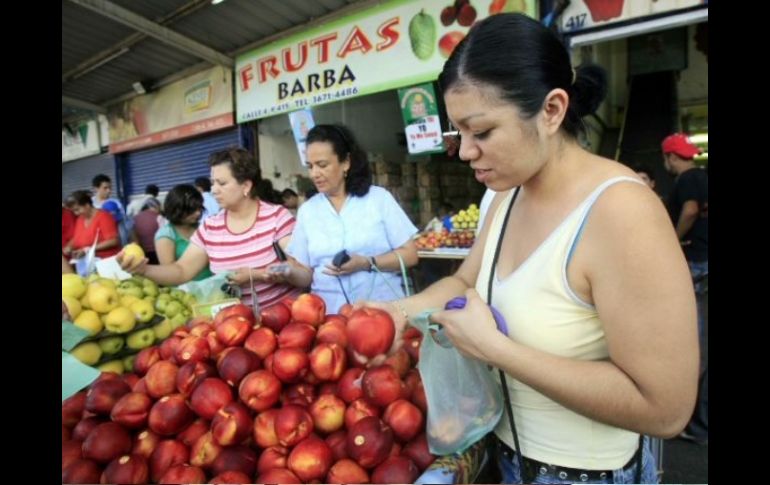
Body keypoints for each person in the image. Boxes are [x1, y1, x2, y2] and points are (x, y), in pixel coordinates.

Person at [365, 14, 698, 484]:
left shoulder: (621, 213)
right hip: (505, 459)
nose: (464, 152)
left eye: (481, 132)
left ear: (552, 110)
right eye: (459, 133)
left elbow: (664, 409)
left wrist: (497, 350)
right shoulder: (505, 193)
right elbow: (465, 279)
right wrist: (393, 314)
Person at [120, 148, 301, 308]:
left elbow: (300, 272)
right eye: (212, 182)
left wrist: (258, 274)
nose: (213, 190)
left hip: (283, 325)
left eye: (221, 183)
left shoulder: (277, 218)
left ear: (246, 185)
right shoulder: (210, 227)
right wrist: (144, 270)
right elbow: (182, 270)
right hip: (233, 327)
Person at [278, 124, 419, 314]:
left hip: (381, 313)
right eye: (310, 166)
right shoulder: (308, 211)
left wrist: (366, 262)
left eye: (322, 165)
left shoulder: (378, 199)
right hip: (330, 316)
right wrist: (288, 272)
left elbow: (410, 255)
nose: (314, 174)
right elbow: (306, 274)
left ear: (346, 162)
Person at [661, 132, 708, 447]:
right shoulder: (704, 175)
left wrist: (672, 239)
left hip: (696, 264)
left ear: (669, 157)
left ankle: (686, 418)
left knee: (691, 340)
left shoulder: (688, 179)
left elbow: (689, 210)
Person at [154, 184, 213, 281]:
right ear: (177, 209)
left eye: (199, 208)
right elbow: (169, 272)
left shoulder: (201, 228)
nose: (198, 213)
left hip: (211, 286)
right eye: (192, 209)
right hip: (186, 291)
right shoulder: (166, 235)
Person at [62, 190, 121, 259]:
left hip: (105, 261)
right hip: (87, 263)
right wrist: (69, 247)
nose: (76, 213)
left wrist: (87, 249)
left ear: (87, 205)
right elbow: (77, 238)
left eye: (77, 209)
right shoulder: (80, 219)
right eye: (73, 211)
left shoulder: (104, 217)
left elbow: (113, 241)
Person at [130, 198, 161, 265]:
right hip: (157, 252)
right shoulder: (159, 217)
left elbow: (133, 236)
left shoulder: (135, 218)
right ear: (156, 206)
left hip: (141, 252)